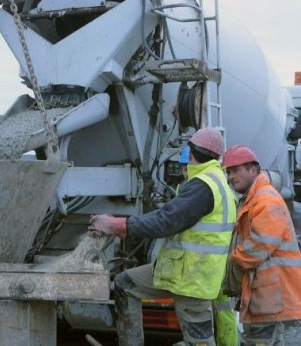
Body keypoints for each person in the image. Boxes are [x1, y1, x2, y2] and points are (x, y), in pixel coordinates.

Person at [88, 127, 236, 346]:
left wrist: (116, 224)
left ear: (191, 153)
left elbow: (165, 221)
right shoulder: (211, 182)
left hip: (192, 280)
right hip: (178, 272)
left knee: (200, 342)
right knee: (125, 283)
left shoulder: (204, 186)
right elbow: (166, 217)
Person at [223, 145, 301, 345]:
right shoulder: (255, 198)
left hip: (269, 292)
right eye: (228, 171)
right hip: (267, 292)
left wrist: (232, 260)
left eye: (236, 170)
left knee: (257, 340)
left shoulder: (265, 199)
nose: (231, 176)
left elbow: (259, 246)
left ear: (253, 170)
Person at [179, 145, 239, 346]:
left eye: (187, 167)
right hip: (203, 266)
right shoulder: (187, 189)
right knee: (213, 313)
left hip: (214, 265)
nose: (186, 172)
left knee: (222, 311)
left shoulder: (212, 187)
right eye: (183, 168)